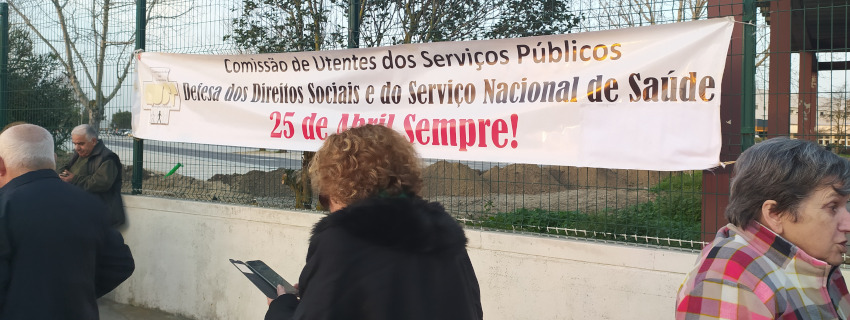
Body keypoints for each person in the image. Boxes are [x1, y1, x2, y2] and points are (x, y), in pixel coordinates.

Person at [265, 124, 483, 320]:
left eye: (324, 198)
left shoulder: (342, 241)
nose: (328, 208)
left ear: (341, 189)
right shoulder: (444, 236)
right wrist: (317, 294)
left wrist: (281, 307)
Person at [676, 137, 850, 319]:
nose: (848, 224)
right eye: (832, 207)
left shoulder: (816, 263)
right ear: (775, 214)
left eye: (846, 205)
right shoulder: (731, 280)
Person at [0, 124, 135, 319]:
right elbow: (120, 263)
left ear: (1, 165)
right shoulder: (90, 205)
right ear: (54, 160)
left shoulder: (5, 207)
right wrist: (76, 296)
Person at [59, 124, 126, 227]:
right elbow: (67, 169)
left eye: (81, 144)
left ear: (94, 141)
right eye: (74, 144)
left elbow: (101, 183)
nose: (77, 148)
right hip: (81, 213)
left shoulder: (107, 158)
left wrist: (74, 179)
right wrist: (62, 174)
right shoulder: (80, 154)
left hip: (99, 216)